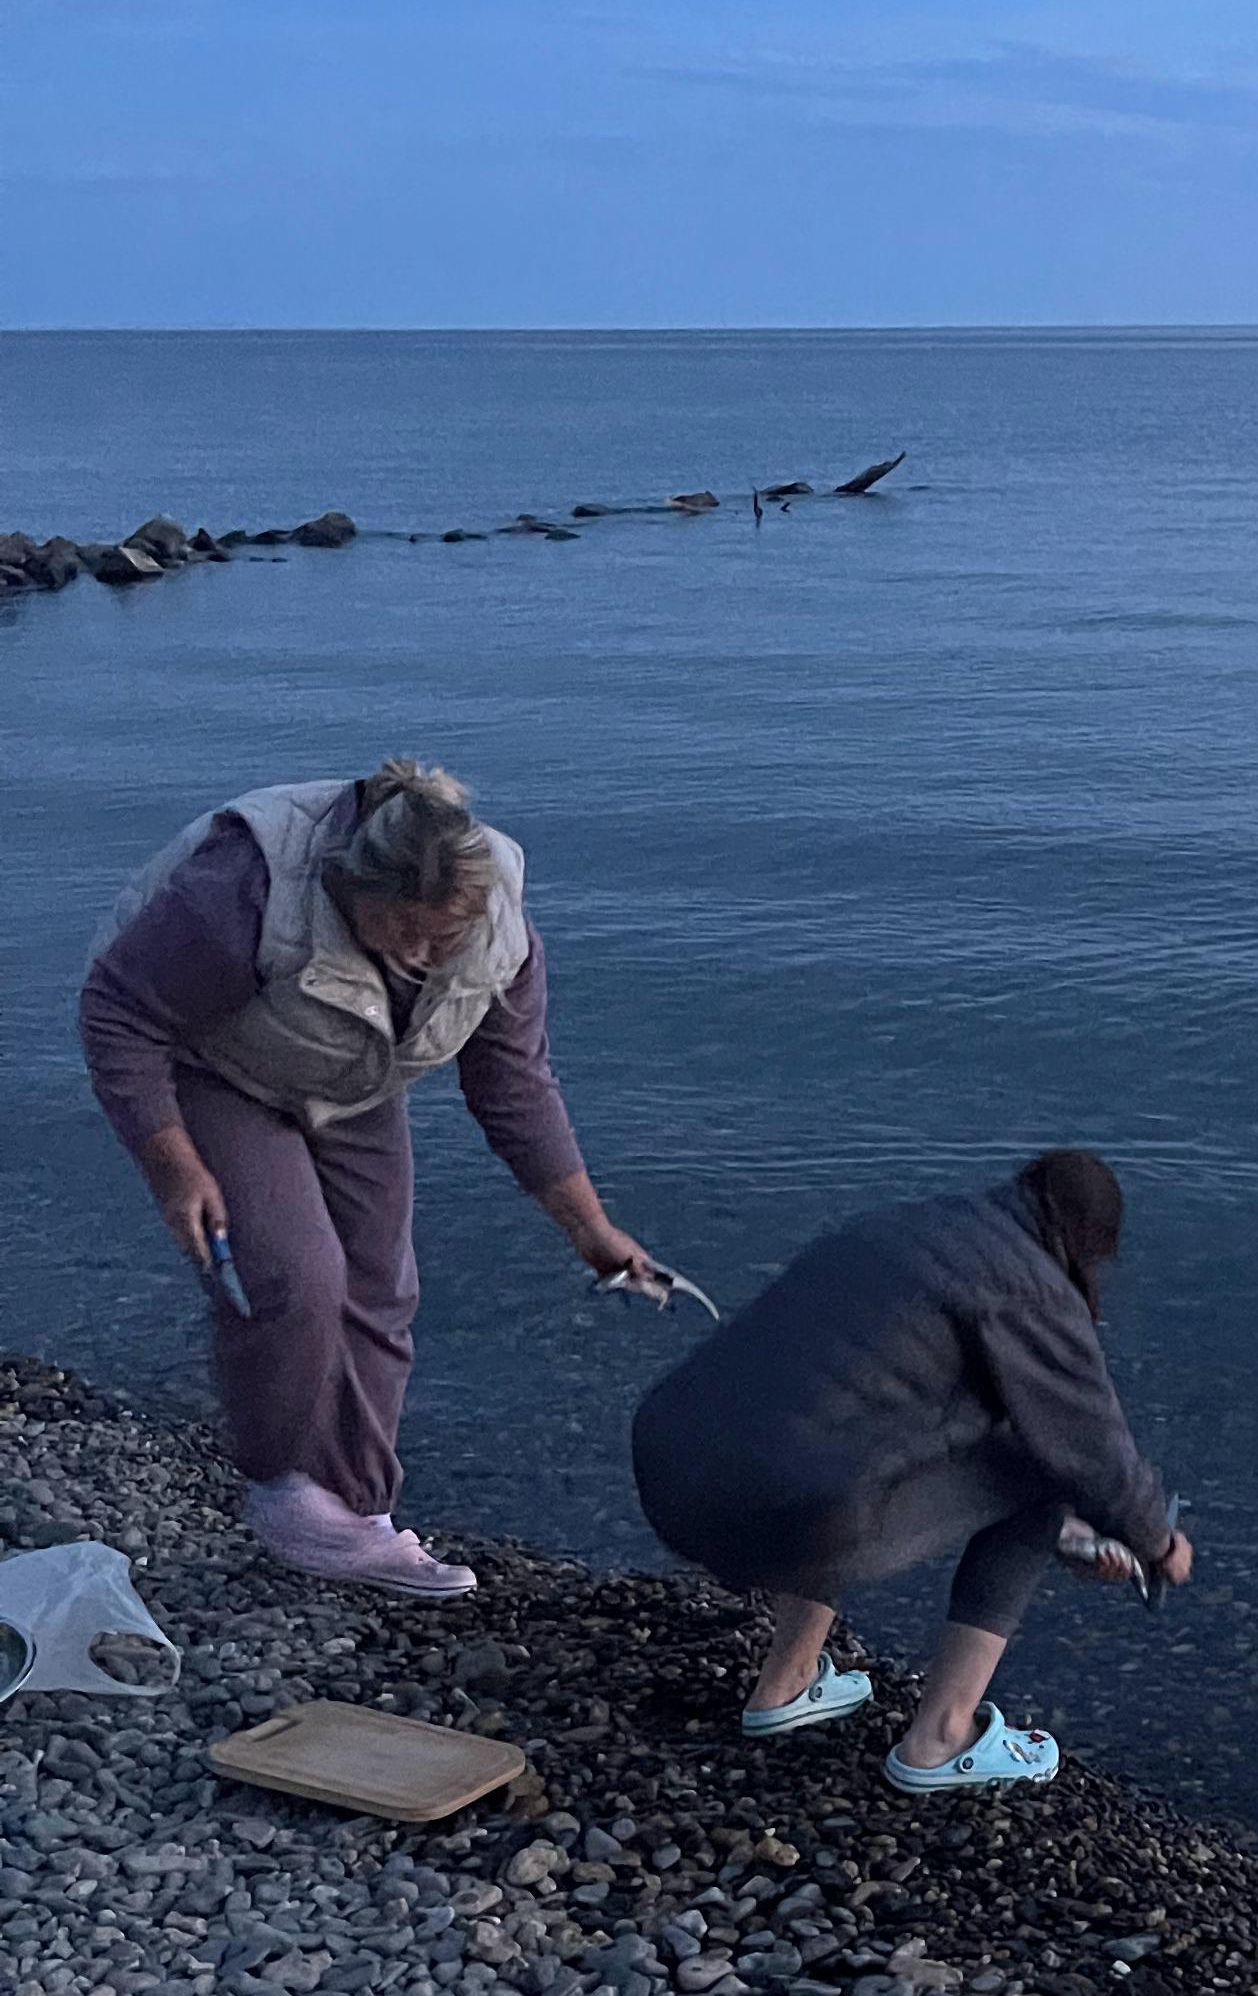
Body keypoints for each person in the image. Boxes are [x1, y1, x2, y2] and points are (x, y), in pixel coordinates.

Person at [81, 759, 667, 1599]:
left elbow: (513, 1085)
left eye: (442, 940)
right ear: (349, 891)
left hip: (349, 1074)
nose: (424, 957)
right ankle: (281, 1489)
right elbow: (118, 1014)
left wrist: (588, 1227)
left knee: (382, 1288)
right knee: (295, 1275)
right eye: (402, 934)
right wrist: (174, 1165)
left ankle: (355, 1511)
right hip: (211, 1063)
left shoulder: (495, 929)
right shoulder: (242, 894)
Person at [630, 1147, 1192, 1792]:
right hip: (770, 1512)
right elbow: (1093, 1449)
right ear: (1088, 1246)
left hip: (670, 1469)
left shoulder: (904, 1227)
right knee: (1041, 1474)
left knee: (837, 1426)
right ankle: (941, 1737)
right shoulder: (1028, 1283)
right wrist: (1159, 1545)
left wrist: (1075, 1537)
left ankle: (786, 1684)